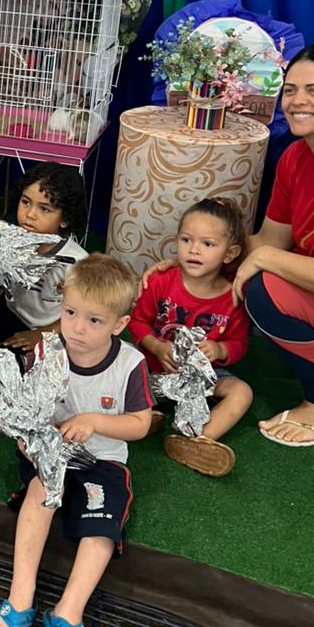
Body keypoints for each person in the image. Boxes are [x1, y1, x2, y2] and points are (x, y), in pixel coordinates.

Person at [0, 255, 152, 627]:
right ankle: (21, 594)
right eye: (70, 313)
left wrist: (95, 421)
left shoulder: (130, 364)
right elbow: (27, 411)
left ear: (119, 324)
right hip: (51, 452)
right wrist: (28, 440)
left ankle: (69, 609)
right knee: (41, 491)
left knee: (103, 526)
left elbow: (140, 424)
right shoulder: (47, 351)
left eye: (94, 320)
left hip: (103, 461)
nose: (77, 328)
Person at [231, 45, 314, 447]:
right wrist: (198, 256)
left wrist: (266, 258)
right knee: (257, 275)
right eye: (290, 90)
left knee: (264, 289)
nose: (298, 101)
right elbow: (268, 242)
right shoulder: (296, 157)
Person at [129, 198, 252, 477]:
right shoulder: (161, 281)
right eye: (186, 240)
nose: (194, 250)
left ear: (230, 253)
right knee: (117, 367)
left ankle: (197, 440)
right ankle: (143, 417)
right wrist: (156, 346)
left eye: (208, 244)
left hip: (203, 378)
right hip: (152, 371)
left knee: (241, 392)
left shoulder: (233, 297)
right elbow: (137, 322)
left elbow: (240, 344)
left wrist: (220, 350)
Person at [0, 163, 89, 350]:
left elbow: (85, 315)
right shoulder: (8, 241)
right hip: (9, 315)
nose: (30, 214)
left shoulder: (77, 264)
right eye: (26, 202)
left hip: (51, 330)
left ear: (65, 219)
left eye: (44, 209)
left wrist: (41, 335)